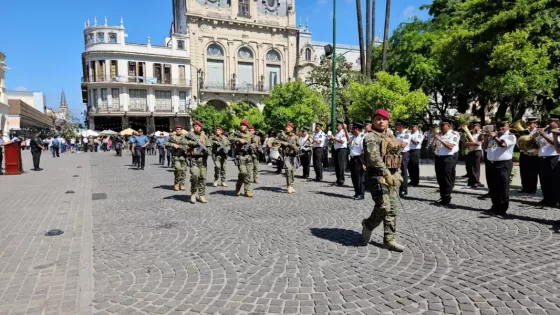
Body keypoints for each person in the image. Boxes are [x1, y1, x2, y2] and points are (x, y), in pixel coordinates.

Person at [361, 109, 405, 252]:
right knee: (384, 206)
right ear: (373, 121)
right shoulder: (370, 137)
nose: (381, 122)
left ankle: (389, 240)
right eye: (378, 119)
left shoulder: (390, 135)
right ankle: (368, 225)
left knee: (392, 209)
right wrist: (387, 174)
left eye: (384, 119)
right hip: (377, 177)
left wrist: (397, 174)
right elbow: (374, 159)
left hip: (391, 177)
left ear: (388, 121)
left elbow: (395, 156)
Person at [481, 118, 516, 215]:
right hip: (491, 163)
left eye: (502, 126)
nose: (500, 128)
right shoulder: (493, 137)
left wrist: (495, 136)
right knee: (493, 187)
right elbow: (484, 147)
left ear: (507, 126)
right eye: (498, 126)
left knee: (502, 187)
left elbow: (503, 145)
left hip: (503, 164)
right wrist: (486, 138)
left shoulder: (510, 136)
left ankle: (502, 208)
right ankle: (495, 206)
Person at [432, 118, 460, 205]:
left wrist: (440, 139)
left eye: (442, 125)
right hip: (439, 157)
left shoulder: (454, 134)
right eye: (440, 125)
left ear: (449, 125)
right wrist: (433, 143)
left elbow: (450, 146)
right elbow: (435, 148)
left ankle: (447, 197)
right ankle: (443, 196)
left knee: (447, 178)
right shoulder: (439, 134)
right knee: (440, 178)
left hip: (449, 158)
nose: (440, 127)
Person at [229, 120, 258, 197]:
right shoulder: (236, 133)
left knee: (248, 174)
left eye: (244, 125)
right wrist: (239, 139)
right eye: (241, 125)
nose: (242, 126)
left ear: (247, 126)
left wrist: (252, 145)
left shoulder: (250, 134)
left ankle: (247, 191)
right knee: (243, 172)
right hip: (240, 156)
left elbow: (255, 142)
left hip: (249, 156)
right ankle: (238, 187)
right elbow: (230, 138)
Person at [536, 115, 560, 207]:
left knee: (554, 181)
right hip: (542, 158)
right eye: (548, 121)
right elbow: (539, 144)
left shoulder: (558, 132)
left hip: (553, 158)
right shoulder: (544, 131)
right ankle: (546, 198)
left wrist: (544, 136)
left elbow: (556, 145)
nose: (548, 123)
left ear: (557, 123)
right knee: (544, 180)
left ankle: (555, 200)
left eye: (551, 122)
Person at [184, 120, 209, 204]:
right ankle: (193, 194)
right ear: (193, 127)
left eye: (198, 126)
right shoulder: (190, 135)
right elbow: (183, 142)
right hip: (194, 159)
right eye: (195, 126)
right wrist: (194, 143)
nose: (197, 127)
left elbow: (209, 146)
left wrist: (208, 150)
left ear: (200, 127)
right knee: (194, 176)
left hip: (203, 160)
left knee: (202, 178)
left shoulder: (204, 136)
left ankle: (201, 195)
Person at [274, 122, 301, 193]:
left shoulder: (295, 137)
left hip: (294, 156)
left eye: (288, 127)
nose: (287, 128)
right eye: (286, 126)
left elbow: (298, 146)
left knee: (292, 171)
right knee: (288, 170)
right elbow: (274, 141)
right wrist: (283, 143)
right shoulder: (281, 135)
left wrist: (297, 149)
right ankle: (288, 186)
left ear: (292, 128)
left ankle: (291, 185)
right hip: (287, 155)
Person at [518, 117, 539, 194]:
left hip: (533, 154)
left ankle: (532, 188)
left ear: (535, 124)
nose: (529, 125)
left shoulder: (538, 132)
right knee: (523, 171)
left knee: (532, 172)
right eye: (528, 124)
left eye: (531, 124)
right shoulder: (524, 132)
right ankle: (525, 187)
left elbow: (538, 144)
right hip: (523, 153)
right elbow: (519, 142)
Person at [164, 126, 188, 191]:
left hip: (184, 156)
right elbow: (165, 142)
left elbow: (189, 144)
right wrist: (173, 144)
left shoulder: (185, 137)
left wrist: (187, 150)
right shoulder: (172, 137)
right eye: (178, 129)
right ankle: (176, 183)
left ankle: (182, 184)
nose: (179, 130)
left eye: (180, 129)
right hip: (176, 156)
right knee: (177, 169)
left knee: (183, 170)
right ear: (175, 130)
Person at [463, 121, 484, 188]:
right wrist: (470, 143)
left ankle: (476, 182)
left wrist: (469, 143)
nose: (473, 128)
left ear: (478, 127)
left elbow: (478, 143)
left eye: (475, 126)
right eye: (472, 126)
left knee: (475, 167)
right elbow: (464, 143)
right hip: (470, 151)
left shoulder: (480, 134)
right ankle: (471, 182)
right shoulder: (470, 134)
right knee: (469, 167)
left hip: (477, 151)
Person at [348, 122, 365, 200]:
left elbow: (363, 151)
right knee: (354, 177)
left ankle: (361, 194)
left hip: (359, 159)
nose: (352, 130)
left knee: (359, 177)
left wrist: (364, 163)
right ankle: (356, 192)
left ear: (357, 129)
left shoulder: (362, 137)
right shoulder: (354, 137)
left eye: (353, 129)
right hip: (352, 159)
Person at [394, 120, 411, 196]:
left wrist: (394, 144)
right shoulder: (398, 133)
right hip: (397, 154)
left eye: (397, 125)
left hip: (404, 154)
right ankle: (399, 187)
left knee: (404, 172)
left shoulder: (407, 133)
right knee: (398, 171)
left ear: (402, 125)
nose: (396, 126)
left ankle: (404, 189)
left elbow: (403, 145)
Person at [330, 121, 349, 186]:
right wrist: (332, 140)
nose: (336, 127)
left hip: (342, 150)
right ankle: (338, 179)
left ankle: (341, 180)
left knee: (340, 165)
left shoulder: (343, 133)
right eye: (336, 126)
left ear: (341, 126)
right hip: (337, 150)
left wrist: (334, 138)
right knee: (337, 166)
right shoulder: (337, 133)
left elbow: (342, 141)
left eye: (338, 125)